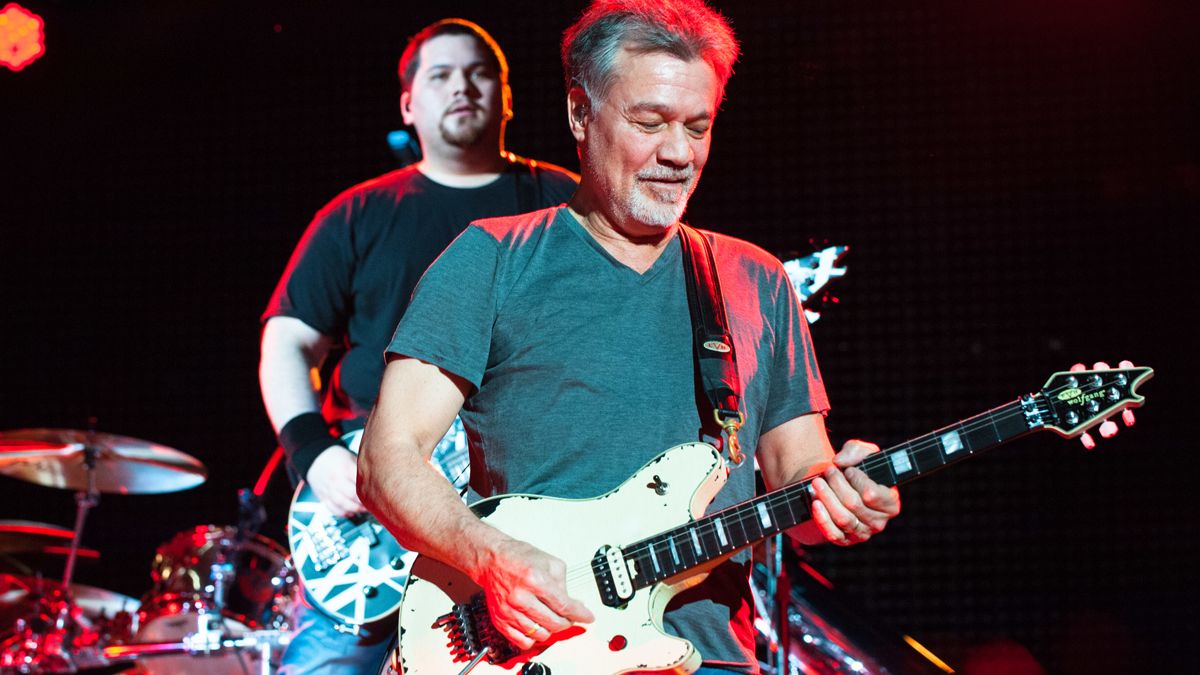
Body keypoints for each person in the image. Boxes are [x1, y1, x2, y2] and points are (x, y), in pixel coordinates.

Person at [358, 1, 901, 674]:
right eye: (650, 123)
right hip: (531, 654)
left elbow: (800, 485)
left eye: (698, 127)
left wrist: (845, 501)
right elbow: (387, 459)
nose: (678, 153)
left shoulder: (755, 280)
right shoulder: (490, 258)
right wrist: (488, 556)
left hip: (708, 659)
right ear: (580, 115)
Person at [259, 18, 578, 674]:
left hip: (528, 509)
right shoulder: (357, 213)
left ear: (508, 96)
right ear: (409, 103)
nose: (462, 87)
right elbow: (286, 340)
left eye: (480, 72)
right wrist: (313, 455)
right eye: (440, 75)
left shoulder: (567, 205)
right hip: (375, 525)